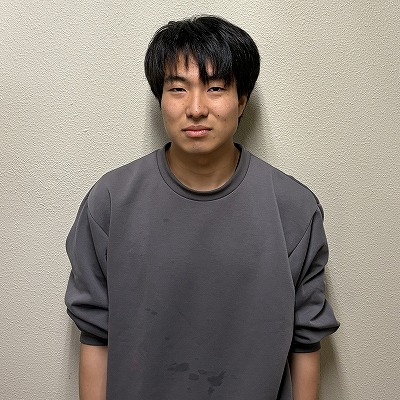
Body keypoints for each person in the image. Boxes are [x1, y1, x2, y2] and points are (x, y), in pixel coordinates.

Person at [65, 15, 339, 400]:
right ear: (160, 98)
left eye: (215, 88)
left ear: (241, 101)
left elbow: (306, 343)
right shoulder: (110, 202)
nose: (196, 108)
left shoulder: (293, 209)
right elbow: (95, 335)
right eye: (178, 89)